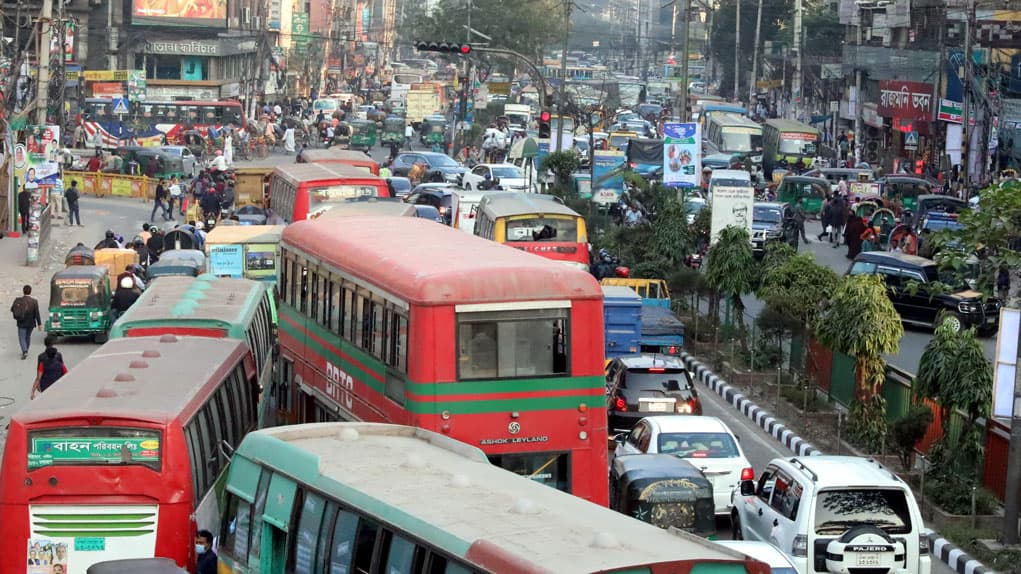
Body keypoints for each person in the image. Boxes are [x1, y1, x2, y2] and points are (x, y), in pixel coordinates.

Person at [11, 285, 42, 360]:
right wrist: (39, 324)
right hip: (31, 323)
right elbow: (37, 313)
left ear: (23, 291)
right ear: (30, 291)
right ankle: (26, 350)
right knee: (27, 337)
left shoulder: (18, 300)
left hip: (21, 322)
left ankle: (25, 351)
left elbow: (12, 309)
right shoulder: (34, 301)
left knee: (22, 338)